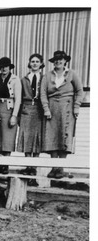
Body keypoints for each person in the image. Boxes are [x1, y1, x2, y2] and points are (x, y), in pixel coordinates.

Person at [40, 50, 83, 179]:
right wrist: (46, 109)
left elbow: (80, 91)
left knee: (64, 136)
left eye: (61, 59)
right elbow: (43, 93)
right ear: (53, 62)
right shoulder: (47, 76)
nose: (58, 62)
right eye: (56, 60)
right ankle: (54, 168)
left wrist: (76, 107)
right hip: (52, 109)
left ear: (65, 61)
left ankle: (61, 169)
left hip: (67, 108)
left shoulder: (72, 74)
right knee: (52, 137)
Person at [0, 57, 22, 174]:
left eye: (6, 66)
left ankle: (5, 165)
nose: (4, 69)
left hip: (9, 109)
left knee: (7, 137)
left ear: (9, 67)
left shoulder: (15, 79)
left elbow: (18, 99)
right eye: (2, 67)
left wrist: (14, 115)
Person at [17, 54, 45, 176]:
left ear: (41, 64)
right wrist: (18, 114)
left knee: (37, 137)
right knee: (27, 137)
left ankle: (34, 167)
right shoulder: (24, 79)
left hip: (39, 109)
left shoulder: (44, 78)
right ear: (29, 63)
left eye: (37, 61)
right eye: (32, 61)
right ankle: (28, 166)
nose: (34, 63)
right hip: (26, 109)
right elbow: (19, 97)